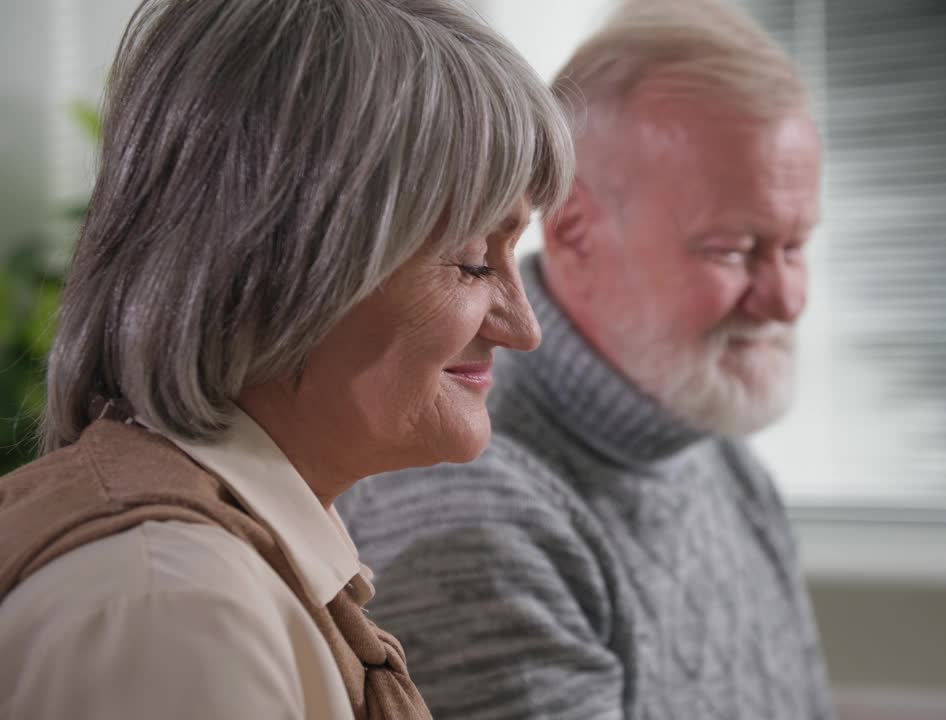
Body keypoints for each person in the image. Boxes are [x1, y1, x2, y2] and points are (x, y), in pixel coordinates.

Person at [0, 0, 573, 717]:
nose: (525, 329)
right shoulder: (174, 609)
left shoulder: (217, 576)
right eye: (471, 261)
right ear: (280, 261)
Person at [337, 0, 834, 718]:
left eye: (795, 247)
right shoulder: (467, 506)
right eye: (731, 249)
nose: (788, 300)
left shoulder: (723, 462)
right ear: (573, 232)